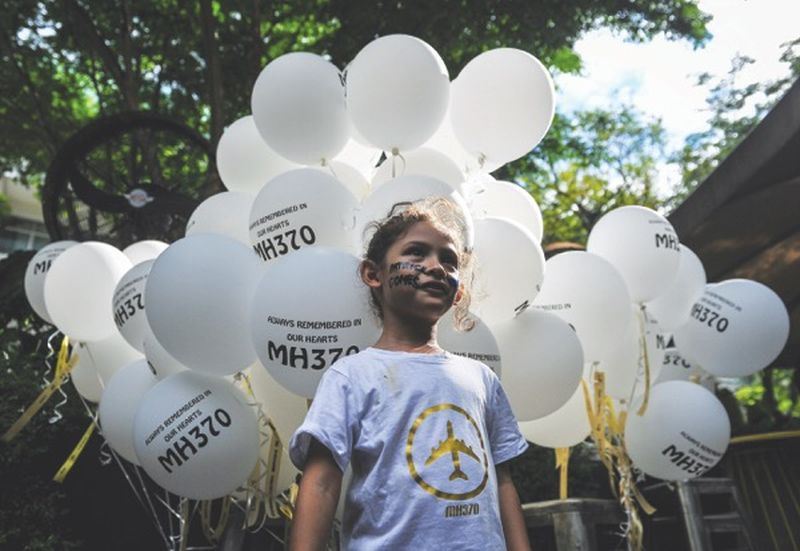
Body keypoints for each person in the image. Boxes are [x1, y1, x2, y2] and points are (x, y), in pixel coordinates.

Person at [288, 197, 531, 550]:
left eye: (448, 260)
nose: (436, 267)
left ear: (458, 291)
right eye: (416, 253)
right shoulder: (350, 376)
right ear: (373, 274)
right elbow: (322, 482)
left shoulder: (481, 378)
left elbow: (502, 481)